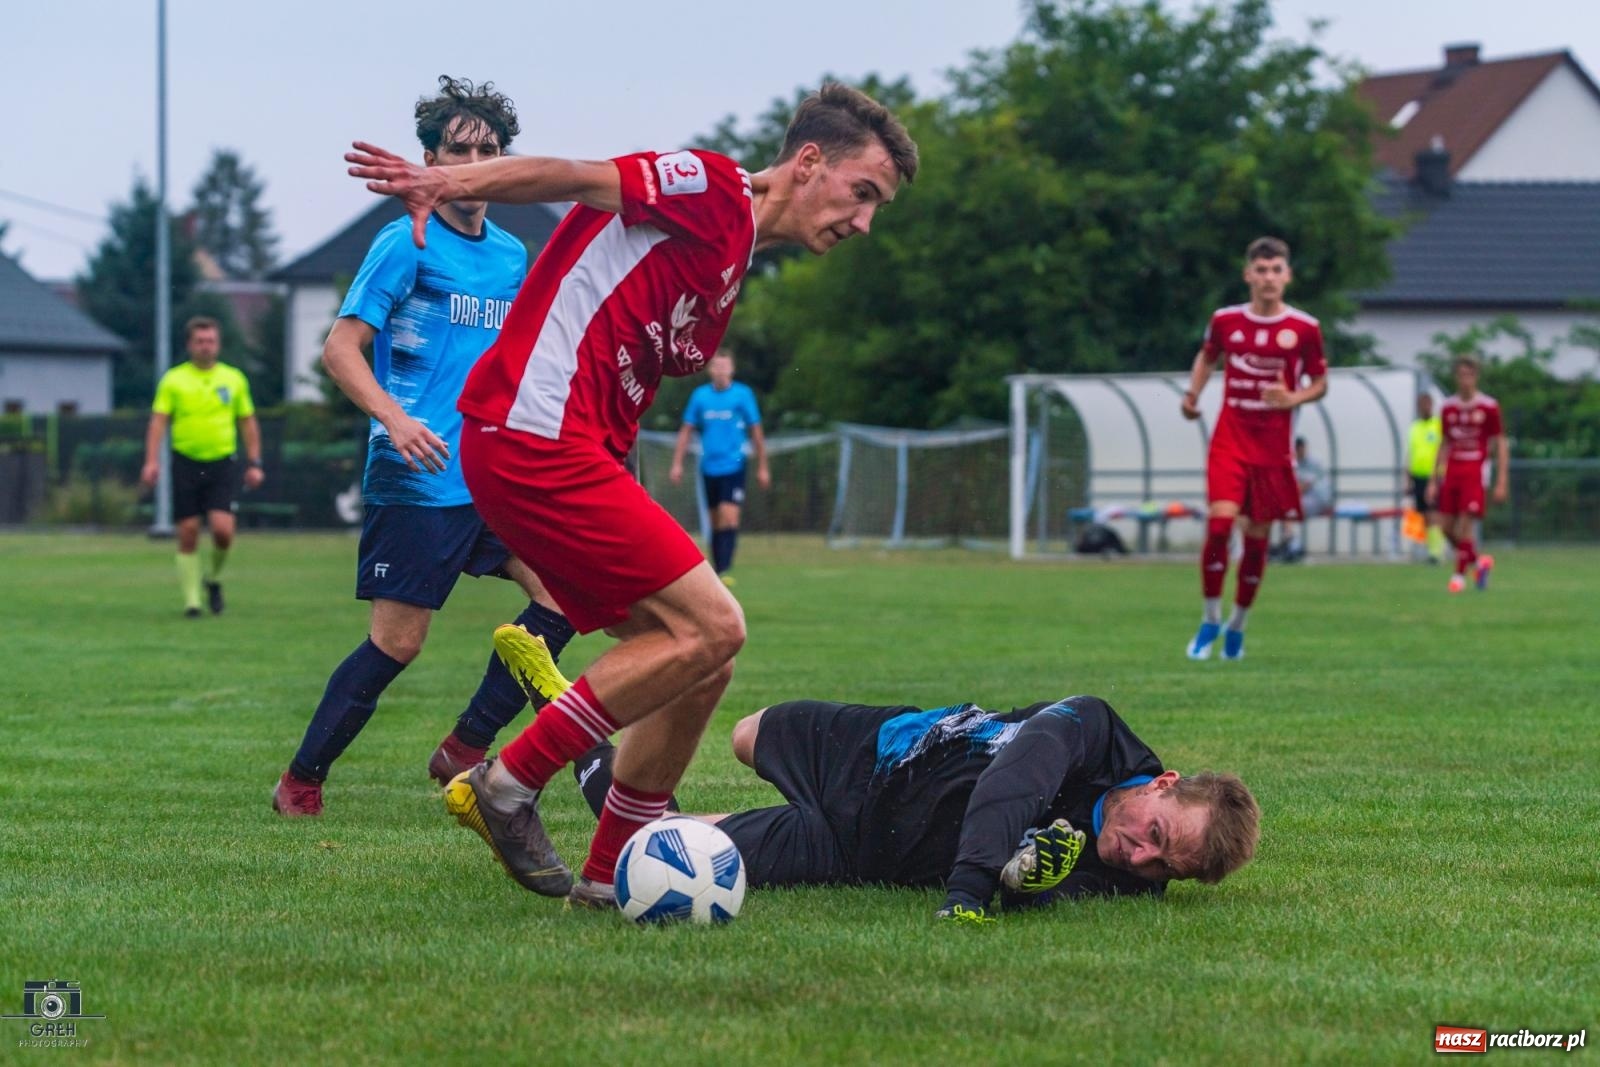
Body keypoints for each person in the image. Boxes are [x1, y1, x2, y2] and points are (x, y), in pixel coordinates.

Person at [345, 83, 919, 905]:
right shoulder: (715, 187)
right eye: (863, 194)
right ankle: (505, 782)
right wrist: (453, 184)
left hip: (566, 451)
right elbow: (578, 175)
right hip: (532, 434)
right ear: (809, 162)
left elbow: (624, 369)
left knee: (699, 662)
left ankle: (611, 869)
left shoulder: (731, 259)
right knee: (718, 623)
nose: (864, 221)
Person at [272, 77, 575, 818]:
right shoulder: (402, 241)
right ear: (431, 158)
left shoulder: (511, 256)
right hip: (416, 476)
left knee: (565, 593)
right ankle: (302, 779)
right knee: (397, 644)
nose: (473, 162)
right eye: (458, 149)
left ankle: (467, 745)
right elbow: (342, 349)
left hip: (492, 475)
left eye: (488, 151)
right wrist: (394, 420)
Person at [488, 632, 1259, 922]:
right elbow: (1014, 781)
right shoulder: (1091, 725)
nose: (1142, 858)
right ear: (1163, 782)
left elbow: (1054, 883)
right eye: (1157, 837)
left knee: (654, 849)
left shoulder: (1132, 878)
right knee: (742, 734)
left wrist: (1026, 881)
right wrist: (970, 889)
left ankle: (560, 709)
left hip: (857, 845)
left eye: (1166, 867)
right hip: (882, 748)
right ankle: (577, 726)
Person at [1180, 237, 1327, 661]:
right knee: (1220, 527)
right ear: (1248, 275)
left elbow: (1320, 382)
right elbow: (1207, 358)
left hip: (1273, 450)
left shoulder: (1304, 328)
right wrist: (1192, 396)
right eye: (1260, 270)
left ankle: (1238, 625)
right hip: (1230, 441)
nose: (1268, 278)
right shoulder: (1226, 321)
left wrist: (1293, 398)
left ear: (1287, 276)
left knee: (1258, 540)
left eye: (1275, 270)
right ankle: (1210, 618)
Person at [141, 316, 263, 617]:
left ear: (217, 344)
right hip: (185, 462)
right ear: (189, 344)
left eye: (210, 341)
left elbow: (247, 423)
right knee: (188, 531)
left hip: (223, 463)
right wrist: (151, 461)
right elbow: (158, 422)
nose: (206, 346)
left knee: (223, 531)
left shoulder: (233, 379)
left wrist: (255, 462)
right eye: (200, 341)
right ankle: (192, 601)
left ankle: (215, 579)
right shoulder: (174, 380)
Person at [668, 348, 771, 583]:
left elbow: (756, 431)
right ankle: (718, 568)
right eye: (716, 366)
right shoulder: (700, 397)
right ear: (709, 370)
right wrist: (677, 464)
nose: (721, 371)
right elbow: (686, 430)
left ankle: (725, 569)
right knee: (715, 520)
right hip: (709, 467)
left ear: (732, 370)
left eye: (725, 366)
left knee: (729, 517)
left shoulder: (743, 395)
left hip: (734, 465)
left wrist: (763, 466)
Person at [1428, 354, 1508, 593]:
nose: (1465, 380)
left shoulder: (1488, 407)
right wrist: (1434, 479)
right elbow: (1444, 443)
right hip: (1453, 470)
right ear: (1456, 377)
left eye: (1470, 375)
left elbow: (1500, 442)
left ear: (1476, 377)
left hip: (1475, 469)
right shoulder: (1448, 407)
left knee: (1465, 524)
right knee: (1444, 527)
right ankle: (1478, 561)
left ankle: (1459, 576)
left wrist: (1502, 479)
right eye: (1461, 375)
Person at [1405, 391, 1447, 563]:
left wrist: (1436, 475)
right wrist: (1407, 476)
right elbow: (1411, 452)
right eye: (1421, 404)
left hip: (1435, 476)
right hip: (1418, 475)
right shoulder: (1414, 427)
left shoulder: (1438, 425)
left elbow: (1442, 449)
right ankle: (1429, 548)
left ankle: (1437, 552)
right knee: (1422, 514)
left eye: (1427, 403)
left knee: (1434, 512)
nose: (1424, 407)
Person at [1278, 436, 1330, 561]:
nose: (1299, 451)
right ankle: (1291, 541)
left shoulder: (1313, 463)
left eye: (1301, 448)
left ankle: (1292, 542)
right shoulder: (1294, 463)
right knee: (1286, 509)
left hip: (1318, 499)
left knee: (1288, 509)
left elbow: (1302, 487)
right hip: (1304, 499)